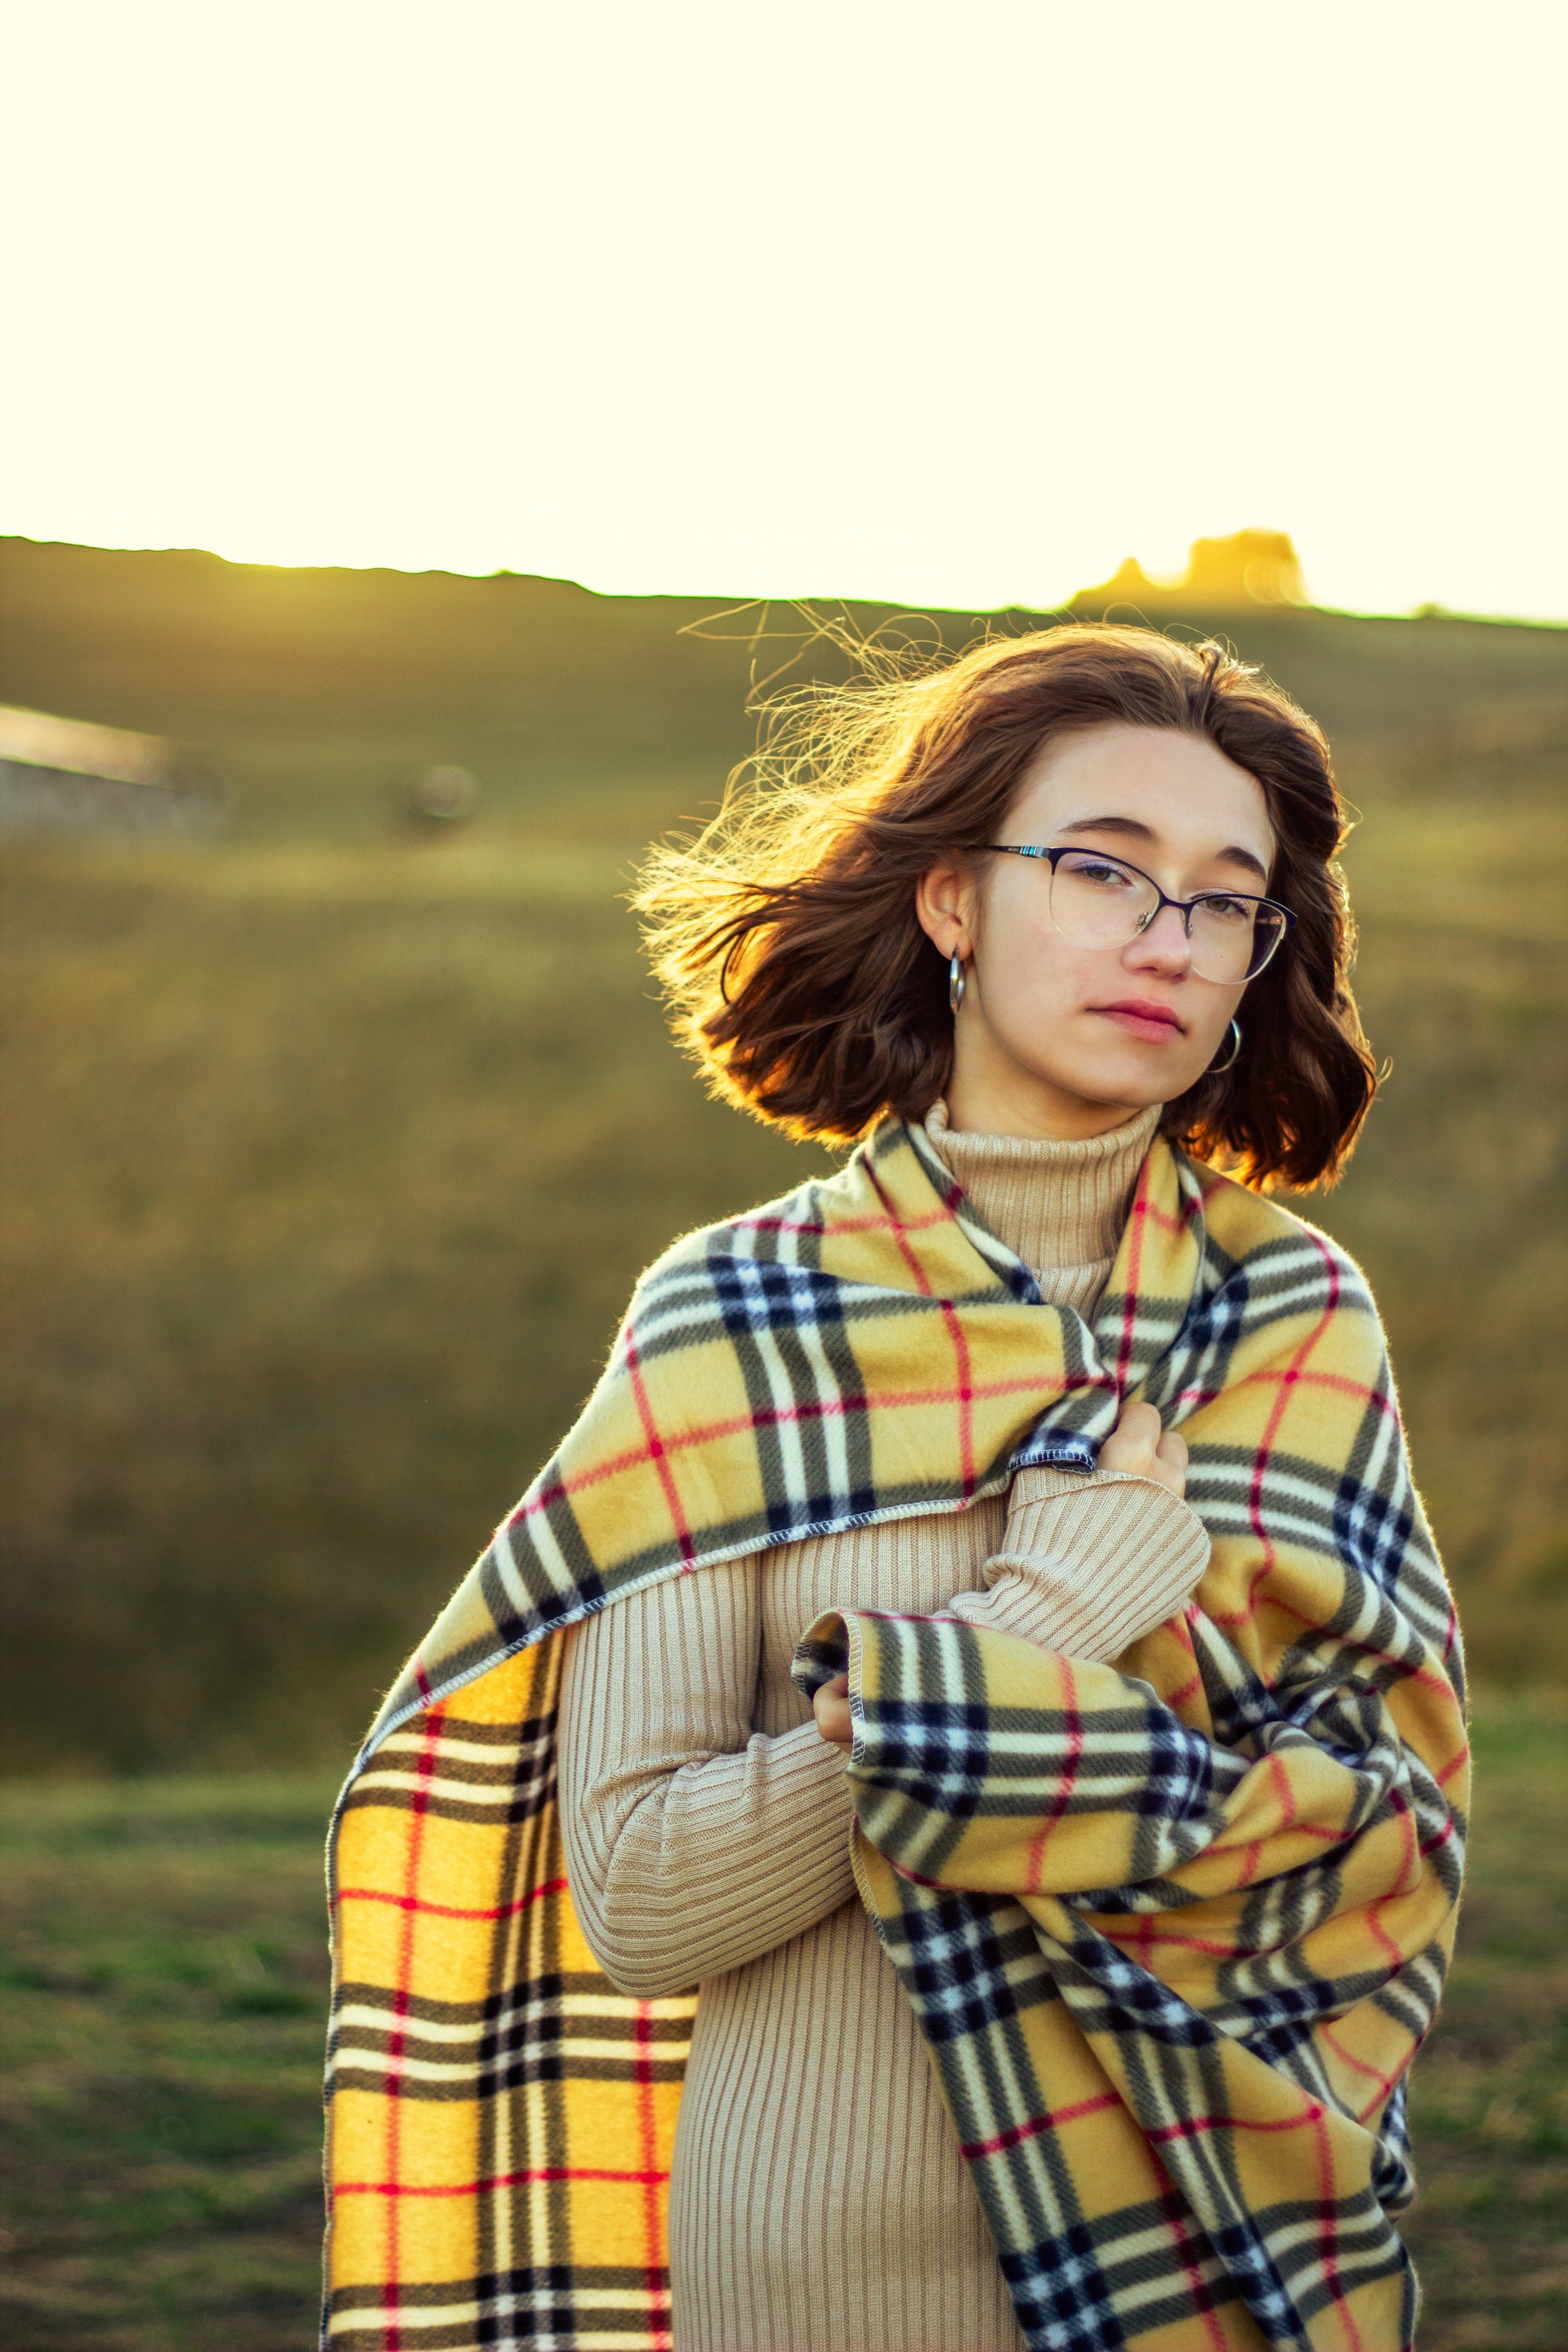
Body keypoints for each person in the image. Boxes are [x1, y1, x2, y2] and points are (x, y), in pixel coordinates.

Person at [323, 625, 1465, 2352]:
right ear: (952, 900)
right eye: (1102, 871)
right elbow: (639, 1899)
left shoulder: (1294, 1320)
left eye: (1225, 901)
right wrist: (1047, 1623)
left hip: (1225, 2241)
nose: (1166, 939)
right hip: (815, 2281)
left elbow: (1387, 1829)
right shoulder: (739, 1313)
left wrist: (957, 1727)